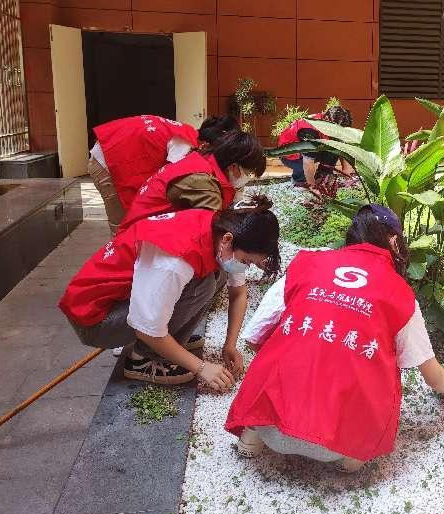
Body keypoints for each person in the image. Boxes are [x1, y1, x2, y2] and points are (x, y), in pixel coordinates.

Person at [225, 204, 444, 472]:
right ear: (394, 242)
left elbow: (255, 332)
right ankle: (351, 461)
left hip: (269, 425)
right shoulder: (400, 294)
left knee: (279, 347)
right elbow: (431, 374)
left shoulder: (309, 263)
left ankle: (251, 438)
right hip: (336, 444)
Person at [59, 198, 280, 388]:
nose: (244, 267)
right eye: (245, 261)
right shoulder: (174, 261)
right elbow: (147, 330)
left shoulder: (217, 227)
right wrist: (202, 368)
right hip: (96, 321)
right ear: (228, 239)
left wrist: (230, 345)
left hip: (116, 301)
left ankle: (170, 344)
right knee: (202, 286)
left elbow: (238, 292)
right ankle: (143, 359)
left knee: (214, 277)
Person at [88, 114, 239, 232]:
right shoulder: (185, 143)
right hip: (107, 160)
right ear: (207, 144)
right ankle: (119, 260)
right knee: (123, 226)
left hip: (109, 148)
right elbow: (170, 178)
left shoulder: (186, 133)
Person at [117, 129, 266, 231]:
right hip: (140, 243)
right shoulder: (204, 183)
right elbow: (213, 232)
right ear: (233, 167)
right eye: (249, 173)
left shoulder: (202, 160)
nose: (248, 179)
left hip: (141, 227)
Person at [277, 105, 354, 188]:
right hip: (290, 155)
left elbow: (341, 146)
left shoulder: (327, 124)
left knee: (333, 148)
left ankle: (323, 177)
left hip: (312, 147)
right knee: (304, 169)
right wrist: (312, 187)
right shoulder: (309, 130)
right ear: (326, 119)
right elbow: (307, 162)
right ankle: (299, 181)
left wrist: (346, 171)